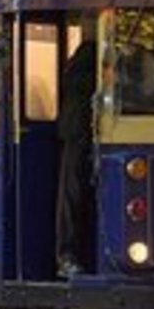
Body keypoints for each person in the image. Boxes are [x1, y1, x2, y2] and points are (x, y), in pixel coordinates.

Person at [56, 16, 98, 278]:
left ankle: (73, 255)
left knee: (75, 195)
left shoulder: (84, 59)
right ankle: (68, 255)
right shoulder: (88, 57)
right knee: (73, 195)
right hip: (79, 135)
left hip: (80, 135)